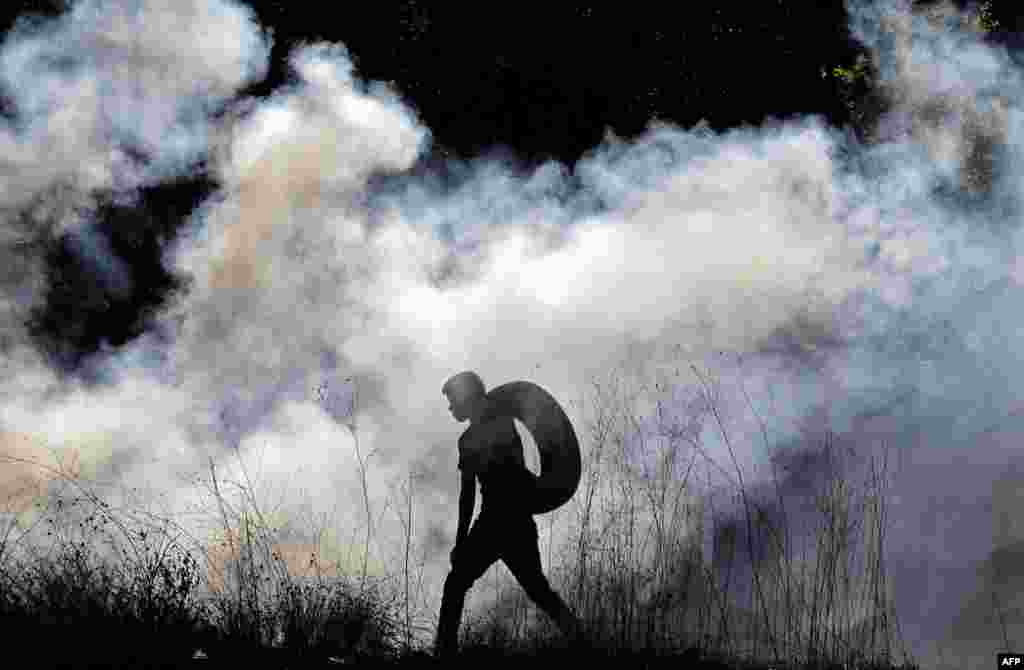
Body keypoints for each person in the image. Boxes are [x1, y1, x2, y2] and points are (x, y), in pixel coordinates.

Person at [434, 371, 584, 658]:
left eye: (452, 400)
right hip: (507, 521)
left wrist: (462, 541)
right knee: (538, 591)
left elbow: (471, 494)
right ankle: (582, 643)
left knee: (460, 585)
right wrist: (462, 540)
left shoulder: (492, 428)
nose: (451, 407)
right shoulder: (479, 434)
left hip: (501, 522)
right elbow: (468, 494)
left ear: (467, 396)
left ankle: (444, 654)